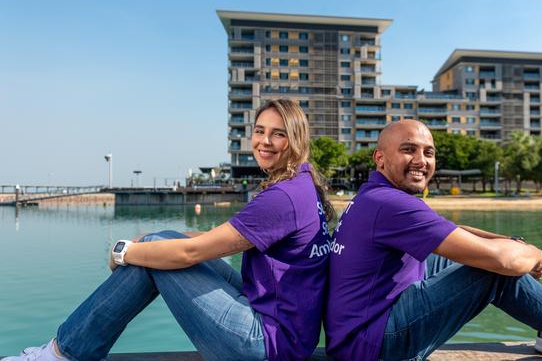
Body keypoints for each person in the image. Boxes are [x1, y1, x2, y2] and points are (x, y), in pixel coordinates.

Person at [3, 99, 334, 361]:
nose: (265, 141)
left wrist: (126, 252)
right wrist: (147, 242)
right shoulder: (301, 185)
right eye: (260, 130)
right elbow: (211, 239)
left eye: (277, 133)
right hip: (286, 332)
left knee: (157, 258)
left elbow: (192, 253)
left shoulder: (283, 197)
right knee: (159, 245)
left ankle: (65, 353)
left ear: (295, 139)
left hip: (265, 345)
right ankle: (68, 350)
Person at [324, 120, 542, 361]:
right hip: (374, 345)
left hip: (357, 334)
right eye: (408, 150)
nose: (421, 160)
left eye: (429, 152)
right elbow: (503, 262)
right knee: (491, 271)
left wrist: (508, 240)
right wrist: (530, 252)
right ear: (380, 158)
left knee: (448, 255)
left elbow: (450, 229)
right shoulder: (392, 204)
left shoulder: (374, 196)